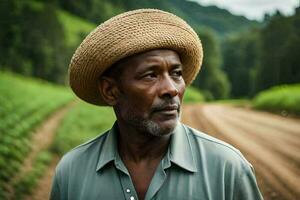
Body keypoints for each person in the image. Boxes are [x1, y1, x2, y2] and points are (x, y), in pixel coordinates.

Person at [50, 9, 263, 200]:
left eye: (176, 73)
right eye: (150, 75)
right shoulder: (71, 172)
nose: (171, 89)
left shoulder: (227, 168)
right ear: (110, 91)